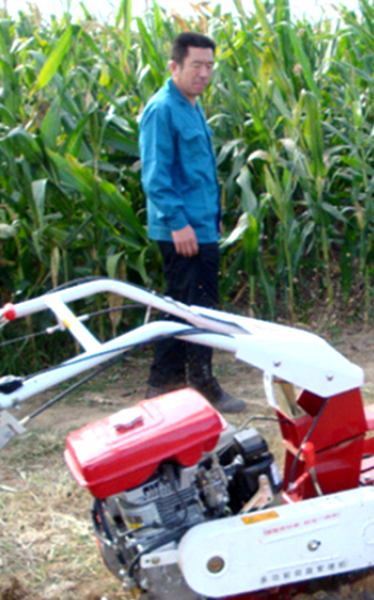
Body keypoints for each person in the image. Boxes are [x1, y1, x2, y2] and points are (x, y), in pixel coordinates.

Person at [139, 32, 246, 414]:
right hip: (180, 230)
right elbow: (155, 177)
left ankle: (167, 385)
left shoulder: (191, 105)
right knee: (191, 309)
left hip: (200, 226)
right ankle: (189, 385)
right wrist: (179, 223)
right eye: (196, 65)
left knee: (192, 306)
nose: (204, 73)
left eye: (209, 66)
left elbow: (199, 173)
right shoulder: (162, 109)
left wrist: (211, 220)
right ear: (175, 67)